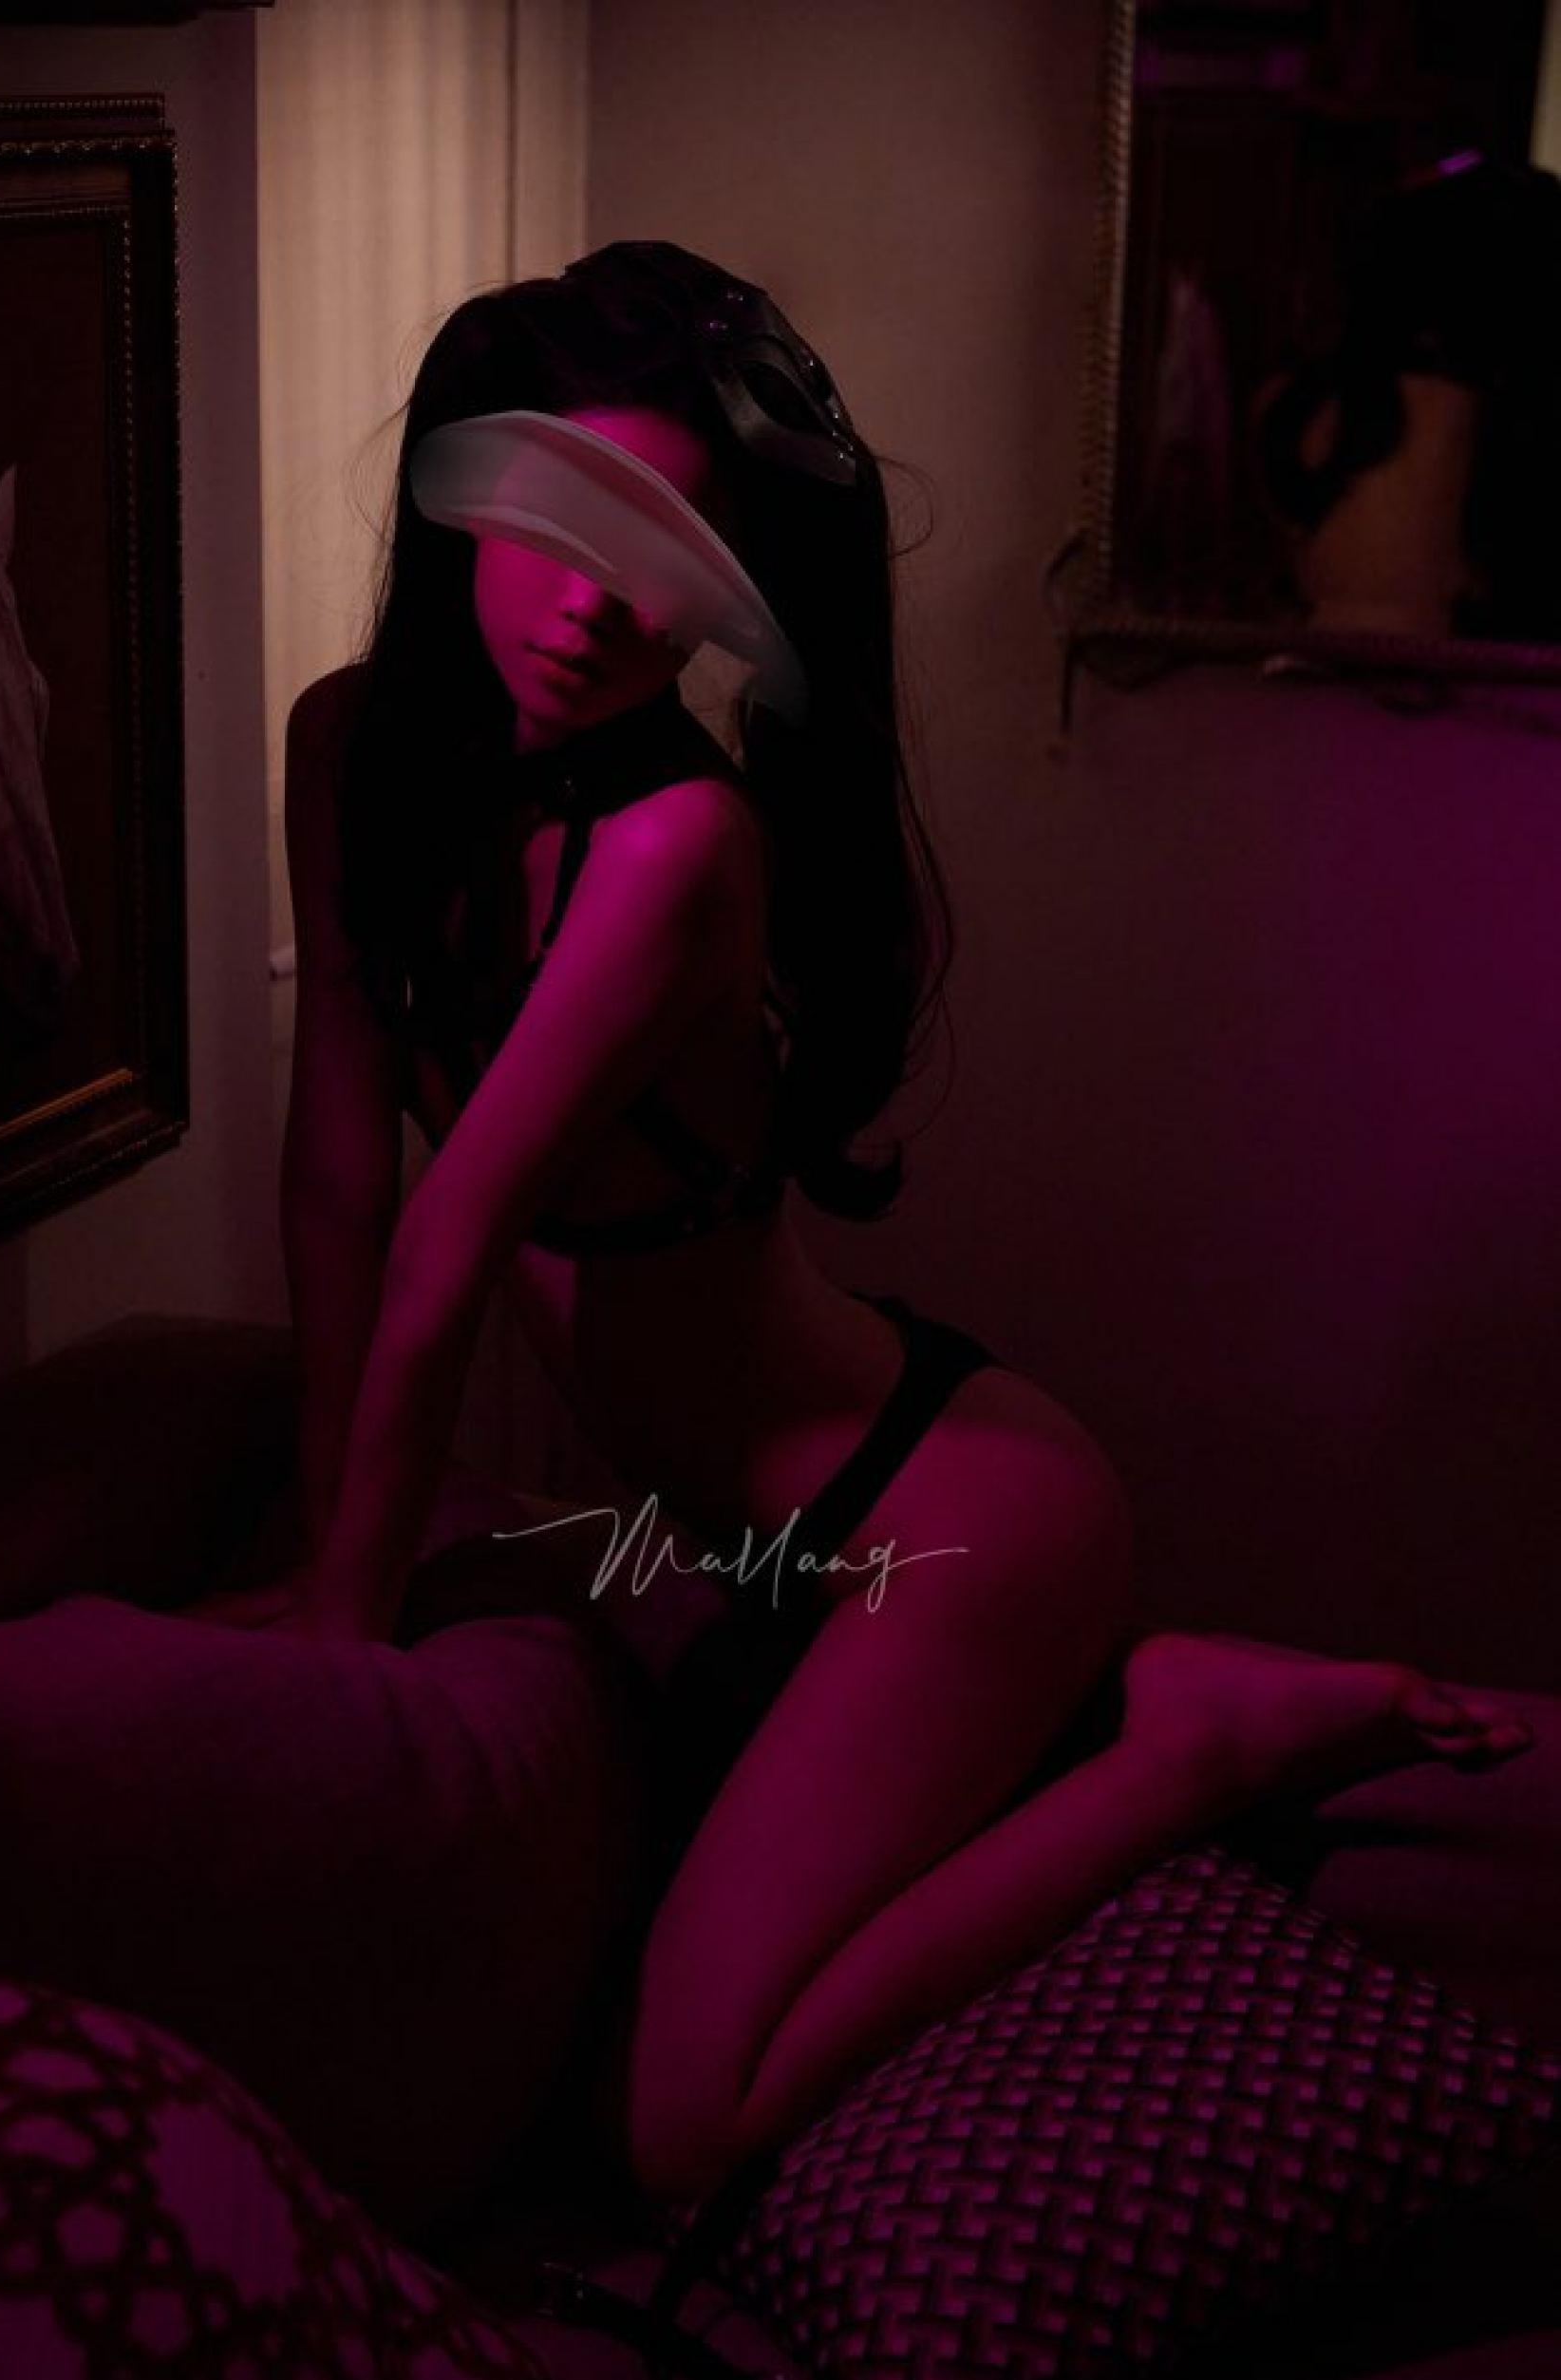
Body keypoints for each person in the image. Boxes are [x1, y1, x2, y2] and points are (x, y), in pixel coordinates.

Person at [201, 241, 1533, 2206]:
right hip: (750, 1544)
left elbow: (454, 1234)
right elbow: (339, 1173)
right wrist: (335, 1554)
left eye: (666, 553)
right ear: (469, 498)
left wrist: (343, 1613)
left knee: (682, 2127)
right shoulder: (348, 747)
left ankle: (1193, 1740)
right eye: (559, 519)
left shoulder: (676, 843)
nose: (593, 600)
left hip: (942, 1524)